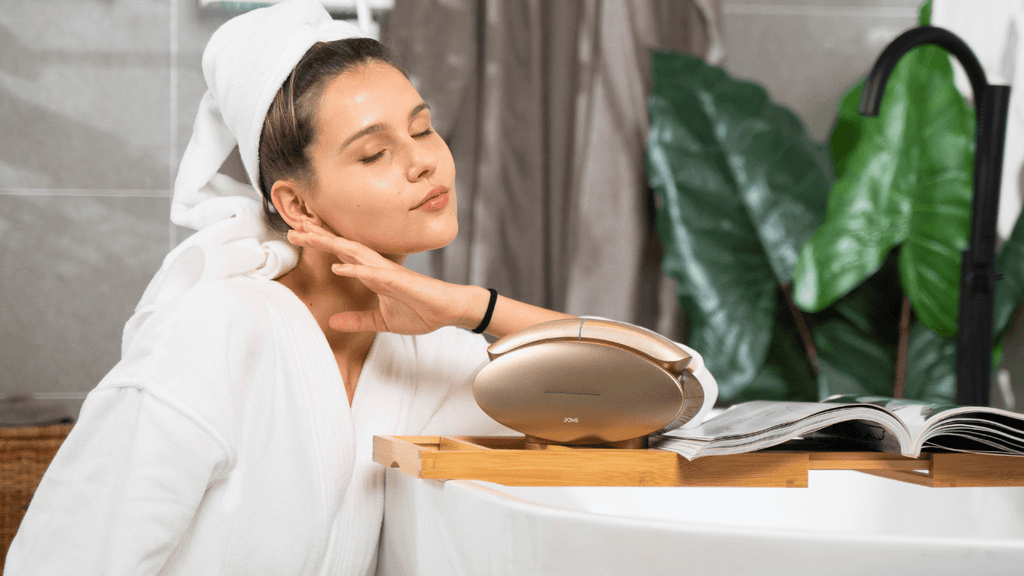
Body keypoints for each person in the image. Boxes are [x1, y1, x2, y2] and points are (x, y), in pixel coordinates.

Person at [4, 1, 715, 575]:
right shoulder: (220, 329)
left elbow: (680, 393)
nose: (424, 164)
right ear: (297, 207)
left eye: (424, 129)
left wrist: (475, 309)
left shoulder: (430, 352)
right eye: (374, 152)